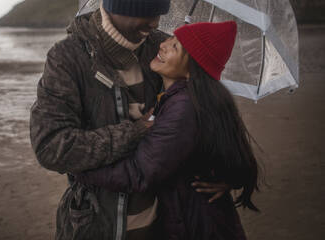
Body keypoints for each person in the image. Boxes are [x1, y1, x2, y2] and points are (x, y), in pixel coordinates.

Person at [30, 0, 230, 239]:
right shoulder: (68, 58)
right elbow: (51, 147)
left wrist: (225, 171)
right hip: (96, 226)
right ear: (115, 7)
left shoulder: (161, 51)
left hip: (167, 223)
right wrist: (135, 132)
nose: (154, 23)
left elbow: (205, 112)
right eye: (144, 13)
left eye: (158, 13)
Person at [76, 21, 261, 240]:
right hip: (201, 217)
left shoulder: (183, 107)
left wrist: (79, 167)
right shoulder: (188, 98)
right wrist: (230, 179)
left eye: (175, 47)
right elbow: (237, 154)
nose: (163, 45)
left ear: (193, 69)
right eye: (171, 39)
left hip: (197, 225)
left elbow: (140, 173)